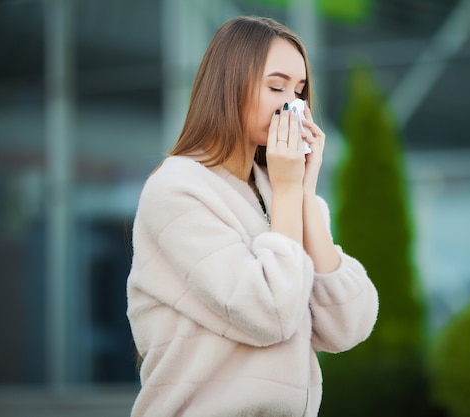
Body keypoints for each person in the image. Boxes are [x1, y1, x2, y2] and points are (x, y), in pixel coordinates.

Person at [126, 15, 379, 417]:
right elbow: (270, 314)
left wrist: (304, 195)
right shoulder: (177, 189)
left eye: (299, 91)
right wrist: (287, 192)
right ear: (230, 86)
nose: (293, 105)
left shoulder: (280, 189)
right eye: (276, 86)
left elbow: (348, 326)